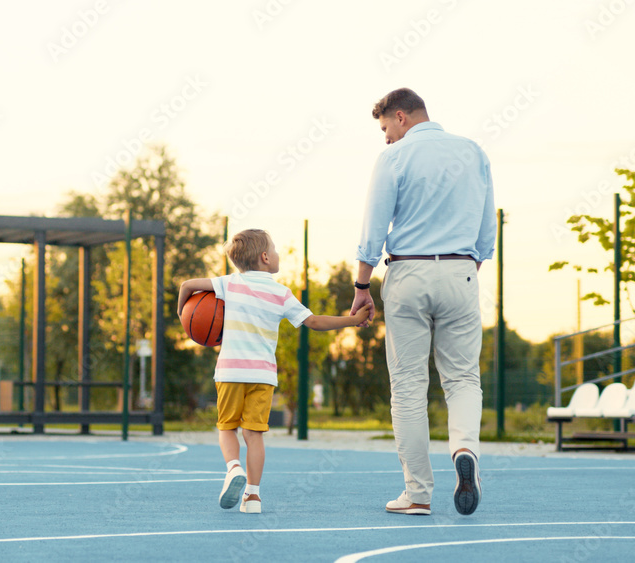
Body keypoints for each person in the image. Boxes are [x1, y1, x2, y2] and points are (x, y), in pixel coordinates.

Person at [351, 88, 496, 516]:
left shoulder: (394, 159)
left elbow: (373, 227)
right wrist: (467, 270)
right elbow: (487, 226)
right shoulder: (473, 152)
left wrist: (362, 286)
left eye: (385, 129)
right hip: (461, 270)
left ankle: (417, 493)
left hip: (408, 273)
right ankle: (464, 450)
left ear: (401, 116)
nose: (386, 139)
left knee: (409, 387)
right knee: (464, 378)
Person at [178, 228, 370, 514]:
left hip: (230, 372)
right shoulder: (281, 293)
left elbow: (187, 285)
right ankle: (253, 497)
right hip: (263, 376)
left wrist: (184, 317)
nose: (279, 254)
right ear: (265, 257)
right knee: (254, 435)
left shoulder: (229, 283)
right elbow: (314, 322)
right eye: (275, 249)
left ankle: (233, 469)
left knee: (226, 428)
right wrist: (351, 321)